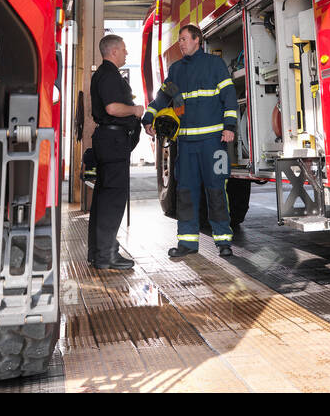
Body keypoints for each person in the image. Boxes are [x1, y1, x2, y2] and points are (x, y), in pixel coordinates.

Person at [144, 24, 236, 258]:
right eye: (180, 40)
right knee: (185, 192)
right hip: (185, 145)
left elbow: (229, 96)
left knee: (216, 191)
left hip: (213, 142)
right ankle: (187, 242)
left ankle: (223, 241)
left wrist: (229, 127)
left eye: (184, 39)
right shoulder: (176, 70)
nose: (181, 43)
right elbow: (162, 97)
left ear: (197, 40)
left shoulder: (215, 65)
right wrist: (148, 116)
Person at [88, 35, 143, 271]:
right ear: (113, 52)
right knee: (113, 200)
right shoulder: (109, 75)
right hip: (113, 143)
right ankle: (106, 255)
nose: (126, 53)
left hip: (108, 142)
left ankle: (98, 252)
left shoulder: (102, 75)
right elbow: (112, 108)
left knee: (103, 199)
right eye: (124, 49)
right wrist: (136, 110)